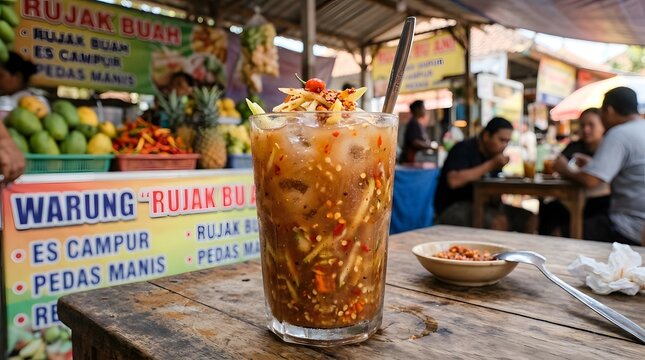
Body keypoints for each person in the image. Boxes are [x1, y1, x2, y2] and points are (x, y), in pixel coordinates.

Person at [554, 87, 644, 245]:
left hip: (628, 226)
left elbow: (591, 181)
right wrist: (593, 165)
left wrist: (564, 169)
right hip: (640, 224)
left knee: (559, 233)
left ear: (608, 111)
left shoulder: (618, 134)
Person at [435, 117, 536, 233]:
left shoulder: (494, 155)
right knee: (499, 222)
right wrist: (491, 165)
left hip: (484, 205)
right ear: (487, 135)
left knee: (530, 218)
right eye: (501, 140)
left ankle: (518, 251)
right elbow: (453, 181)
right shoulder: (463, 149)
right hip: (453, 207)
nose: (504, 145)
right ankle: (495, 251)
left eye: (507, 141)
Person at [539, 108, 610, 236]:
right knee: (547, 209)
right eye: (582, 125)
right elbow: (556, 164)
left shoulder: (608, 148)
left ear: (603, 126)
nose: (586, 129)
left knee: (559, 223)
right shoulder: (575, 146)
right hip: (569, 199)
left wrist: (567, 170)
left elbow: (591, 180)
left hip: (598, 206)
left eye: (591, 125)